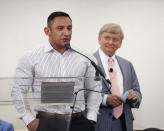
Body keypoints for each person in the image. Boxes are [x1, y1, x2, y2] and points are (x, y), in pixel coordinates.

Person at [11, 11, 102, 131]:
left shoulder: (85, 57)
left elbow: (95, 89)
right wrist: (29, 120)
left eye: (69, 28)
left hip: (79, 123)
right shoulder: (31, 57)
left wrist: (91, 118)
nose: (67, 32)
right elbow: (18, 90)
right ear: (47, 31)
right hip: (46, 123)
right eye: (60, 28)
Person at [93, 23, 142, 131]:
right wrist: (105, 100)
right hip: (98, 123)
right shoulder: (88, 62)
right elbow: (80, 94)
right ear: (99, 39)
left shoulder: (127, 65)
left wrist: (135, 96)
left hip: (124, 123)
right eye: (107, 38)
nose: (111, 42)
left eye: (115, 39)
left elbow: (137, 91)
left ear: (120, 43)